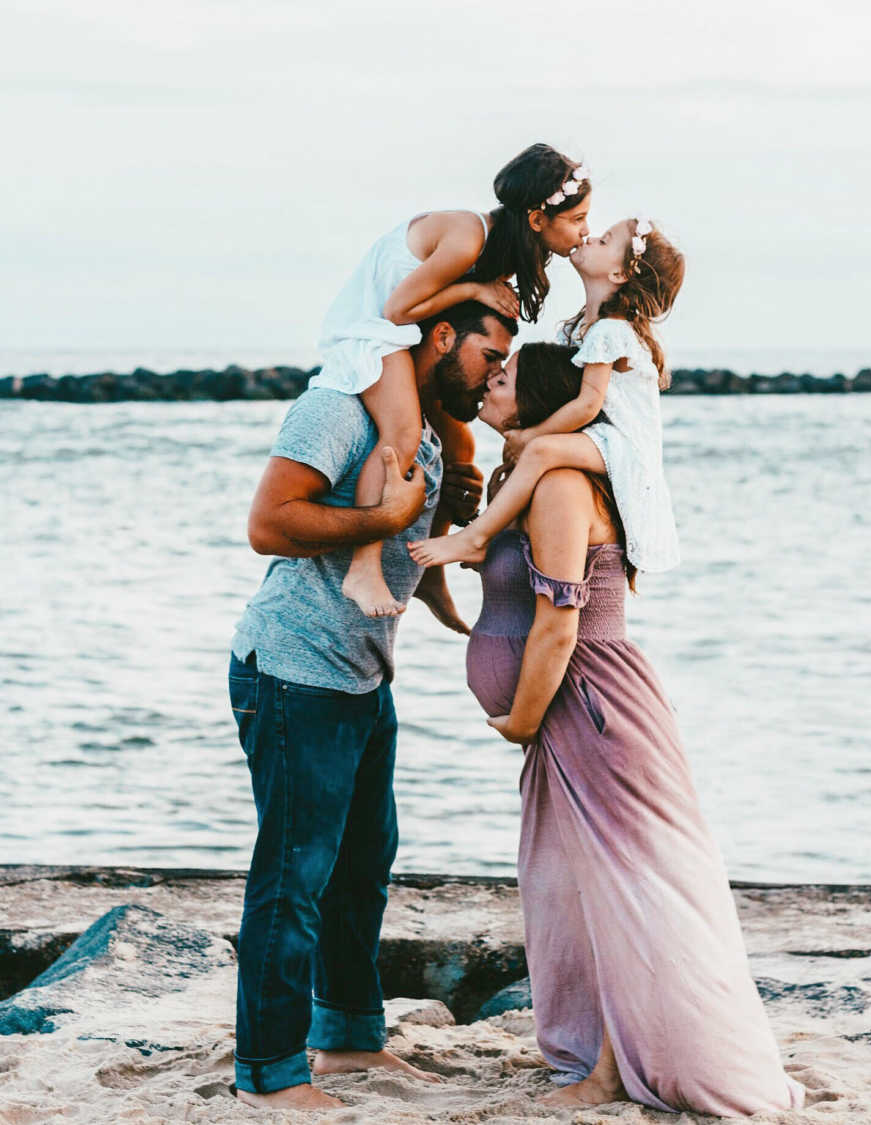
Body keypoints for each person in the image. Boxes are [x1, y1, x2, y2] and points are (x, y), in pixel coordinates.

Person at [463, 344, 806, 1115]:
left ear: (543, 400)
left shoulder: (557, 483)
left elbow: (559, 623)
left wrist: (519, 714)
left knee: (626, 886)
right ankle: (599, 1049)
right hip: (570, 709)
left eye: (506, 376)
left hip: (590, 700)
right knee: (578, 886)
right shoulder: (525, 478)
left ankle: (613, 1072)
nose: (491, 380)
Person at [227, 301, 517, 1111]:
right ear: (441, 336)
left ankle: (349, 1039)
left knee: (362, 868)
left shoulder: (421, 426)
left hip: (359, 675)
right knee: (294, 876)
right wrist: (386, 513)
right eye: (490, 352)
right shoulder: (340, 409)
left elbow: (410, 558)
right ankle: (268, 1072)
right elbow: (267, 522)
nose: (496, 373)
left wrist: (453, 512)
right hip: (292, 670)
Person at [310, 142, 591, 617]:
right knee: (401, 434)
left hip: (401, 330)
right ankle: (364, 565)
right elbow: (397, 310)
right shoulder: (468, 236)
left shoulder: (502, 247)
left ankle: (429, 577)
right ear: (539, 220)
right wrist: (474, 287)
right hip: (371, 329)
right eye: (578, 219)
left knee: (456, 443)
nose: (586, 232)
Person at [409, 218, 683, 576]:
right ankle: (496, 536)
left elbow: (588, 404)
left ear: (618, 275)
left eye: (604, 241)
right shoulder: (586, 325)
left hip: (622, 443)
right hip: (600, 435)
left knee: (539, 452)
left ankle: (475, 538)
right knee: (525, 460)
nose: (590, 235)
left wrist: (532, 436)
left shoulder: (610, 330)